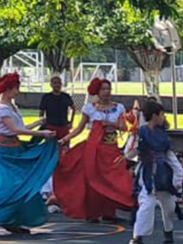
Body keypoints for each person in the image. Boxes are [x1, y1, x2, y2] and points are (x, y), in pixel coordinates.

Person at [0, 73, 59, 234]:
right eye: (15, 88)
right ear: (7, 89)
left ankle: (13, 219)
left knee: (20, 183)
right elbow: (15, 130)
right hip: (2, 152)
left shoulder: (11, 107)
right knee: (6, 184)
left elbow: (20, 128)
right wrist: (42, 134)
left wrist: (38, 123)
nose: (17, 92)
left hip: (13, 148)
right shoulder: (0, 109)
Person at [55, 78, 134, 222]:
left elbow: (124, 127)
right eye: (103, 89)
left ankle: (111, 210)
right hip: (94, 149)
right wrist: (64, 139)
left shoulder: (119, 107)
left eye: (108, 89)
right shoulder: (89, 108)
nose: (106, 92)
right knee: (93, 179)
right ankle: (94, 212)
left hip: (111, 148)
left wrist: (110, 124)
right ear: (97, 91)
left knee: (115, 177)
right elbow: (79, 129)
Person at [129, 100, 183, 244]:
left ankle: (168, 229)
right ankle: (136, 239)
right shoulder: (140, 133)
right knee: (147, 203)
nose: (163, 117)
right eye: (161, 114)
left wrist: (178, 176)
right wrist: (138, 153)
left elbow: (169, 156)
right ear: (154, 116)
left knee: (169, 205)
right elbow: (129, 152)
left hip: (162, 173)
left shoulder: (162, 135)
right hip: (147, 172)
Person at [39, 75, 75, 141]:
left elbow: (73, 108)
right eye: (55, 83)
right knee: (51, 148)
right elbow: (41, 111)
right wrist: (42, 122)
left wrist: (71, 122)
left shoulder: (66, 96)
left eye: (59, 83)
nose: (57, 85)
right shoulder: (46, 97)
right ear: (51, 85)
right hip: (51, 127)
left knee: (64, 148)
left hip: (64, 126)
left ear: (61, 84)